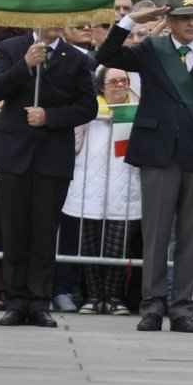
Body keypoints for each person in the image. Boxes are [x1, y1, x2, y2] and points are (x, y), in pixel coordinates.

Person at [96, 0, 193, 335]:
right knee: (156, 234)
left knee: (190, 235)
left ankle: (183, 308)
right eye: (184, 16)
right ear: (169, 20)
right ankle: (153, 306)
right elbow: (108, 54)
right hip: (158, 153)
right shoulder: (153, 49)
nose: (191, 22)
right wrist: (132, 21)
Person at [0, 24, 99, 328]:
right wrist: (25, 65)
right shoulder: (12, 49)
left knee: (44, 232)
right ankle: (16, 301)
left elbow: (88, 107)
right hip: (13, 151)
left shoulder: (76, 58)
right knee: (14, 229)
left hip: (52, 154)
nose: (56, 21)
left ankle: (39, 301)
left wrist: (51, 117)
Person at [64, 68, 141, 316]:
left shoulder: (139, 109)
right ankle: (94, 296)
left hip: (126, 185)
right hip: (89, 185)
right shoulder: (88, 111)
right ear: (101, 86)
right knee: (90, 244)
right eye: (114, 81)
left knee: (117, 246)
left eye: (124, 81)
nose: (120, 86)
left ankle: (114, 296)